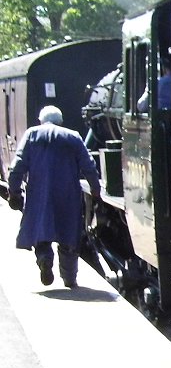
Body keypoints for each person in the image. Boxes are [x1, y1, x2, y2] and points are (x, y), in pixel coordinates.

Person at [6, 105, 101, 289]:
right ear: (61, 121)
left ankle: (44, 259)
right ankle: (69, 278)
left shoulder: (32, 135)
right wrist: (95, 189)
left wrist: (14, 191)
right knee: (69, 237)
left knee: (42, 232)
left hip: (39, 193)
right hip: (68, 195)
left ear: (41, 121)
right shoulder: (73, 136)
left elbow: (17, 166)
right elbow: (88, 165)